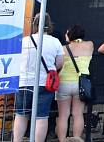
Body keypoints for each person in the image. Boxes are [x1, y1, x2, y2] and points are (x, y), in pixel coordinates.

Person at [13, 13, 64, 142]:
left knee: (21, 115)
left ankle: (17, 140)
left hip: (24, 82)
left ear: (34, 25)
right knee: (41, 117)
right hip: (45, 83)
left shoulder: (24, 41)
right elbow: (59, 63)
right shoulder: (55, 42)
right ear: (50, 25)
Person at [56, 24, 93, 142]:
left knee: (63, 115)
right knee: (78, 114)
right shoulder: (89, 45)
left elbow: (58, 64)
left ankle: (62, 140)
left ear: (70, 35)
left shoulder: (62, 48)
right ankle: (77, 139)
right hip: (81, 84)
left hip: (64, 83)